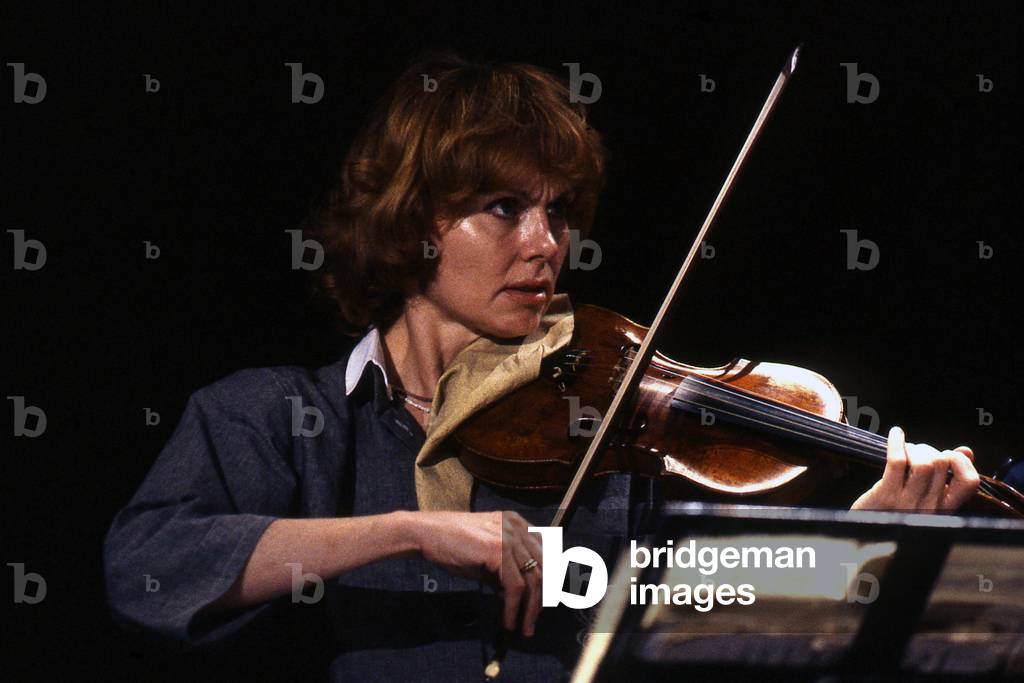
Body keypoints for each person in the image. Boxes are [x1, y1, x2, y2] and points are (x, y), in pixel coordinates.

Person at [103, 49, 982, 682]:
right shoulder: (277, 417)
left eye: (560, 212)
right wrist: (408, 528)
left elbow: (710, 612)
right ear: (415, 223)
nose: (548, 245)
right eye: (504, 207)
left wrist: (862, 549)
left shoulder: (600, 426)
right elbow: (150, 562)